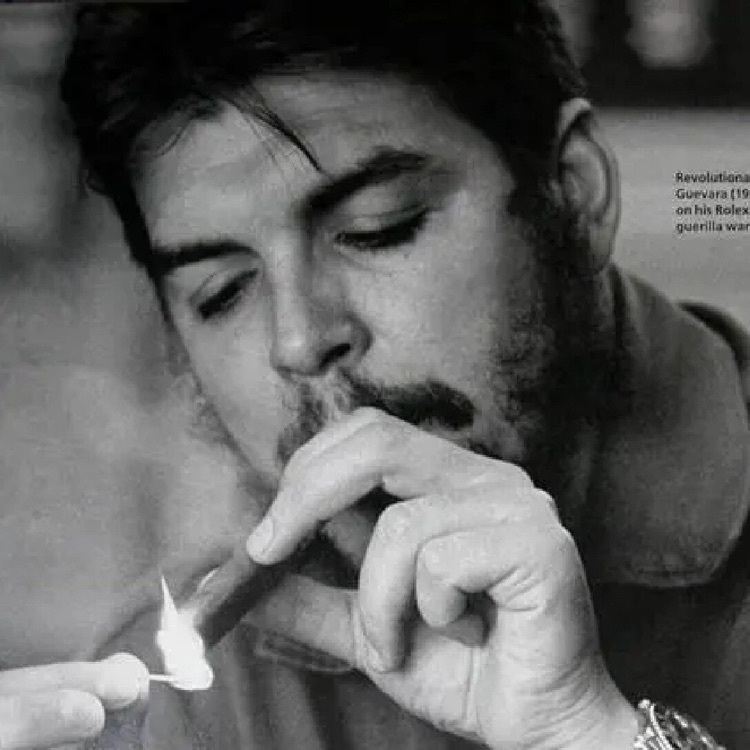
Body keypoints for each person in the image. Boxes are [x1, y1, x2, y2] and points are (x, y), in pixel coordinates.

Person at [3, 1, 749, 748]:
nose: (299, 340)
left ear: (574, 193)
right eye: (221, 292)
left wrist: (592, 734)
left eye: (378, 229)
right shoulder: (178, 690)